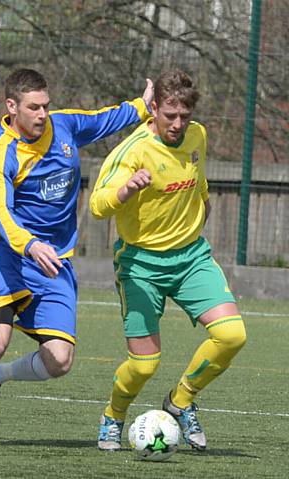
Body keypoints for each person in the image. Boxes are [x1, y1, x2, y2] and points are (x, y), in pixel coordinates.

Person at [0, 68, 153, 445]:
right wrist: (31, 244)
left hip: (55, 264)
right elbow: (1, 213)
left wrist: (142, 107)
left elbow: (104, 119)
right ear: (11, 106)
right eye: (34, 107)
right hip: (8, 259)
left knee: (60, 360)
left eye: (46, 105)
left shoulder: (63, 128)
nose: (42, 114)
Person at [89, 69, 247, 451]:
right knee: (144, 364)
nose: (178, 124)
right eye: (169, 116)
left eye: (185, 116)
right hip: (141, 264)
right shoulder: (132, 151)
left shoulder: (198, 136)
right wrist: (125, 190)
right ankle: (113, 415)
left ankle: (181, 400)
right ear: (154, 108)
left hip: (191, 256)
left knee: (232, 335)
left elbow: (199, 181)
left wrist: (202, 206)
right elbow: (96, 206)